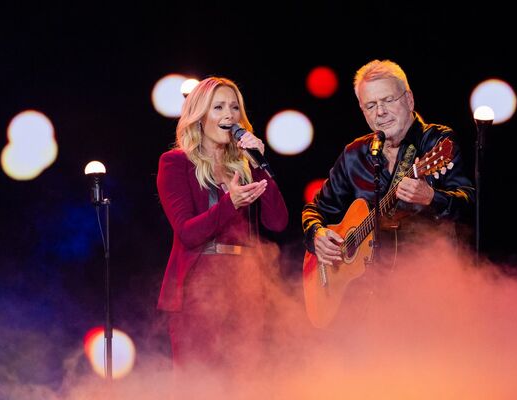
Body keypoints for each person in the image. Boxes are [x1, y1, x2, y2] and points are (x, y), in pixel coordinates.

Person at [301, 60, 474, 323]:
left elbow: (470, 203)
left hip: (429, 291)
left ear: (409, 99)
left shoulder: (436, 143)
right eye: (371, 105)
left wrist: (432, 198)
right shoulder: (355, 154)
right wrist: (316, 234)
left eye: (388, 100)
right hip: (365, 304)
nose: (380, 111)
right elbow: (315, 210)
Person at [156, 77, 288, 376]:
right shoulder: (175, 163)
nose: (229, 115)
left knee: (244, 383)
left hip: (245, 288)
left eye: (234, 107)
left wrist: (257, 163)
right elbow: (188, 232)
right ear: (200, 116)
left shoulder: (244, 164)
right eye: (218, 107)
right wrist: (231, 203)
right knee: (201, 384)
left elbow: (277, 222)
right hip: (197, 289)